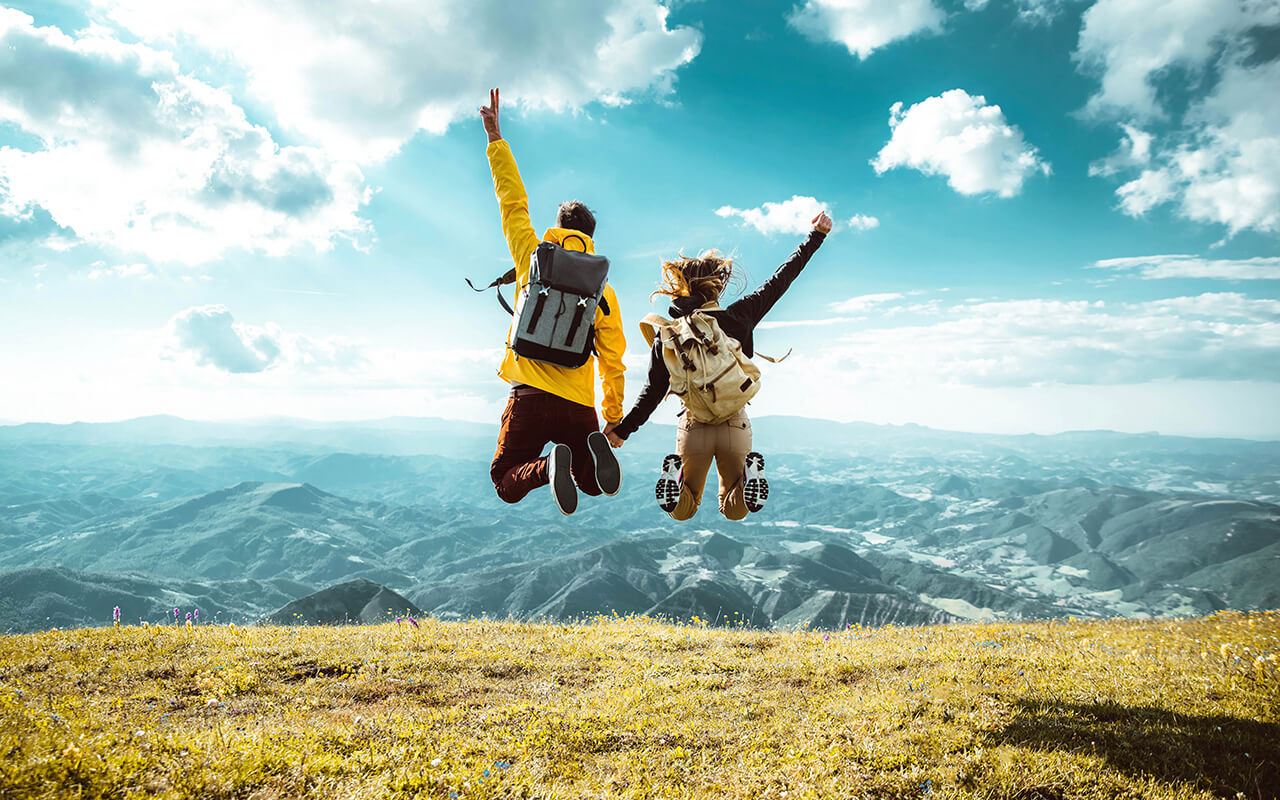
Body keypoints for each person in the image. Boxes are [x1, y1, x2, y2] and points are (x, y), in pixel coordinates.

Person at [605, 212, 833, 520]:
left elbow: (653, 391)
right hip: (734, 424)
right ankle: (748, 480)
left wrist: (622, 431)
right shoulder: (740, 315)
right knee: (733, 509)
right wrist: (815, 237)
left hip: (694, 426)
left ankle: (677, 485)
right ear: (717, 287)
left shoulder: (669, 335)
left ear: (679, 287)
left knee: (684, 509)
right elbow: (781, 280)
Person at [480, 88, 626, 515]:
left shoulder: (533, 257)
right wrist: (612, 416)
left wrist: (496, 140)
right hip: (578, 404)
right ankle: (585, 455)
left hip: (528, 394)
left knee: (505, 481)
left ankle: (546, 469)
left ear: (558, 228)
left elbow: (513, 203)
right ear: (590, 237)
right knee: (592, 484)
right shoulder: (605, 290)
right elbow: (614, 358)